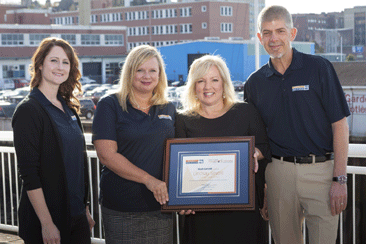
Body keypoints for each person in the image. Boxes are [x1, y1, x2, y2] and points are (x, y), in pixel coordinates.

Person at [244, 5, 350, 244]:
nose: (274, 39)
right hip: (278, 175)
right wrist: (265, 191)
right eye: (267, 33)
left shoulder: (319, 68)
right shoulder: (254, 83)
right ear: (260, 38)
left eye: (280, 31)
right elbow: (258, 141)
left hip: (321, 174)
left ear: (292, 33)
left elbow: (340, 126)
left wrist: (339, 179)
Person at [175, 55, 271, 244]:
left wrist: (254, 154)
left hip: (242, 209)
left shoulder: (245, 112)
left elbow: (264, 147)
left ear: (224, 83)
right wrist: (179, 202)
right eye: (200, 81)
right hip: (200, 213)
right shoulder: (183, 120)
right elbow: (177, 167)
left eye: (214, 80)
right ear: (193, 86)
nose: (207, 87)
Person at [12, 37, 95, 244]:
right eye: (54, 61)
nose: (60, 67)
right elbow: (29, 174)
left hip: (77, 218)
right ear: (40, 65)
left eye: (65, 62)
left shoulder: (69, 110)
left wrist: (84, 208)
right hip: (50, 222)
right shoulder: (29, 111)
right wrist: (46, 223)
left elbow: (77, 163)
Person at [92, 45, 176, 243]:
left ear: (159, 74)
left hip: (160, 205)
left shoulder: (168, 107)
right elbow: (106, 155)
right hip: (123, 207)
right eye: (140, 70)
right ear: (130, 72)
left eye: (152, 70)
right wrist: (149, 180)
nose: (146, 76)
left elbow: (179, 152)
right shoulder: (109, 105)